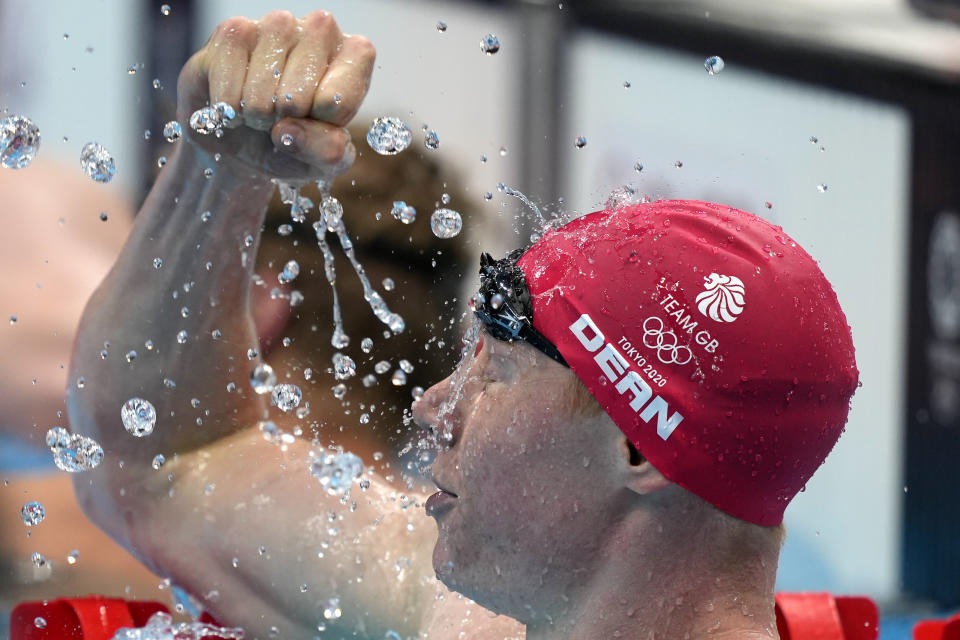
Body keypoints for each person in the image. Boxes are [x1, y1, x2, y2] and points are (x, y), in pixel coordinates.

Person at [68, 10, 858, 640]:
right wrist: (219, 172)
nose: (433, 406)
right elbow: (164, 462)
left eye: (499, 373)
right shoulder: (468, 618)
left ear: (636, 445)